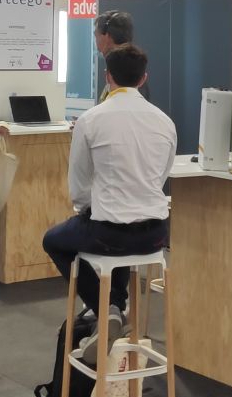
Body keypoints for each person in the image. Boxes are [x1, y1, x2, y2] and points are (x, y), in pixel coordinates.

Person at [42, 44, 173, 363]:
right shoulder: (165, 121)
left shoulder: (91, 120)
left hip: (108, 234)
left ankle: (107, 310)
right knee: (117, 233)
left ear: (107, 76)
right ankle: (116, 307)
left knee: (55, 240)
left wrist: (89, 208)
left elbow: (79, 186)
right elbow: (160, 176)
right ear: (143, 78)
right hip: (156, 235)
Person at [94, 10, 151, 102]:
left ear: (107, 36)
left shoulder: (126, 73)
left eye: (96, 35)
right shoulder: (133, 69)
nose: (96, 43)